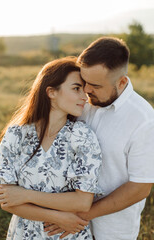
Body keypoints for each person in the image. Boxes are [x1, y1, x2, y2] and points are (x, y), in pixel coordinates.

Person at [34, 37, 154, 240]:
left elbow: (139, 187)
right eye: (84, 82)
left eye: (95, 85)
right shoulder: (81, 101)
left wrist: (79, 216)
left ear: (122, 82)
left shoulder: (144, 120)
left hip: (110, 231)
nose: (87, 90)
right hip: (58, 226)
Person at [0, 57, 103, 240]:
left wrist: (24, 195)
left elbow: (83, 202)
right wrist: (57, 216)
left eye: (84, 90)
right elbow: (7, 200)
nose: (84, 96)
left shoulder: (82, 136)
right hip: (26, 233)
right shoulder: (16, 135)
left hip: (67, 235)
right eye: (76, 88)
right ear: (51, 92)